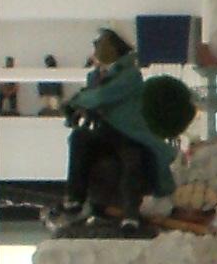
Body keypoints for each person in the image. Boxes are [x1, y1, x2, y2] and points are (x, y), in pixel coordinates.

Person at [53, 28, 176, 228]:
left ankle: (130, 213)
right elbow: (90, 98)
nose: (96, 46)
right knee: (78, 138)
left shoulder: (130, 75)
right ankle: (75, 198)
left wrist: (76, 100)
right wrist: (74, 110)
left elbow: (101, 96)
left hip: (128, 132)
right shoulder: (95, 76)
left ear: (116, 46)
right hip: (103, 131)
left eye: (102, 41)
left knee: (131, 159)